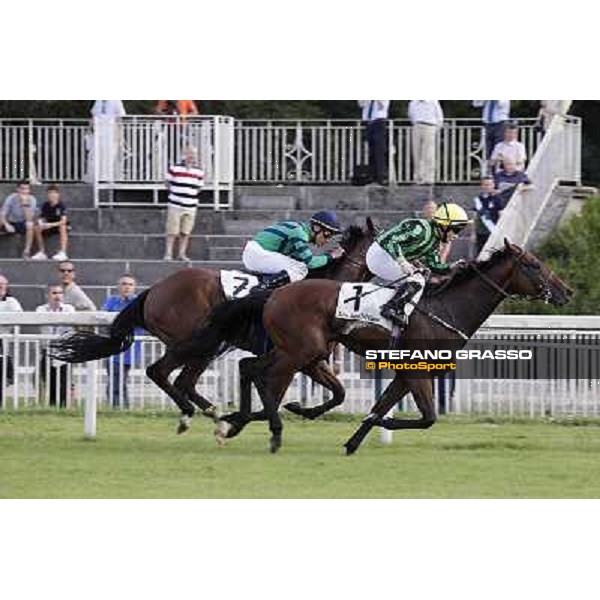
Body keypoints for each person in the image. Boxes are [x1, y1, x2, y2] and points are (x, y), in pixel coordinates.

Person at [366, 202, 471, 333]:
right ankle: (391, 308)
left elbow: (435, 265)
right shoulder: (420, 228)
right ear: (444, 226)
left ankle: (398, 308)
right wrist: (402, 262)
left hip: (388, 258)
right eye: (455, 230)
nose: (456, 236)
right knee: (417, 279)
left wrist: (452, 266)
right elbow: (392, 240)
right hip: (379, 254)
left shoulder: (434, 242)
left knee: (420, 277)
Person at [242, 210, 346, 290]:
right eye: (327, 234)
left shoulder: (297, 229)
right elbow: (310, 263)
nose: (327, 240)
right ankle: (263, 287)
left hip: (256, 253)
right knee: (301, 268)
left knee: (296, 265)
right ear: (316, 228)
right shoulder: (299, 233)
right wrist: (331, 256)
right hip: (257, 254)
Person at [102, 274, 142, 409]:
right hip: (112, 348)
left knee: (121, 380)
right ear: (119, 287)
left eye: (130, 284)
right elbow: (105, 318)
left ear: (135, 287)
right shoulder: (111, 300)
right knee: (114, 380)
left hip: (129, 350)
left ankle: (121, 407)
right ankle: (116, 407)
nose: (127, 287)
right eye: (124, 284)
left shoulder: (138, 302)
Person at [36, 286, 75, 408]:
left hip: (63, 352)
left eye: (60, 293)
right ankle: (52, 407)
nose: (57, 296)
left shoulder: (69, 308)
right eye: (54, 293)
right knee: (49, 382)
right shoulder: (41, 309)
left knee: (63, 383)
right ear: (48, 295)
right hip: (47, 350)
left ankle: (63, 407)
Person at [164, 146, 204, 261]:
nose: (191, 156)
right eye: (189, 153)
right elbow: (167, 182)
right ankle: (168, 253)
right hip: (175, 204)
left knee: (186, 232)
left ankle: (182, 253)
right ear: (184, 154)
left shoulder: (199, 171)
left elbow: (199, 187)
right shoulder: (174, 168)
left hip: (190, 205)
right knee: (172, 231)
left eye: (194, 154)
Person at [408, 100, 444, 185]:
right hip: (417, 126)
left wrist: (434, 129)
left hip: (430, 126)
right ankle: (418, 177)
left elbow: (439, 117)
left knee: (429, 153)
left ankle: (429, 178)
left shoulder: (433, 101)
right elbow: (410, 116)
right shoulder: (413, 103)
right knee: (416, 153)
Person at [0, 275, 23, 408]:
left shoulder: (12, 301)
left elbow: (18, 319)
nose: (1, 287)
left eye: (3, 284)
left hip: (3, 344)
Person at [90, 100, 126, 182]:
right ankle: (97, 176)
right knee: (97, 154)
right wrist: (92, 128)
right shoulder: (98, 101)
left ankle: (108, 177)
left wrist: (118, 133)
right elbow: (94, 115)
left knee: (110, 155)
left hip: (111, 130)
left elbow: (119, 118)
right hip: (99, 131)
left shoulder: (116, 101)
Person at [31, 185, 69, 261]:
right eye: (49, 193)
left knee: (63, 227)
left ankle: (63, 252)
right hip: (48, 226)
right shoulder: (45, 205)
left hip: (57, 225)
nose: (52, 195)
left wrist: (51, 225)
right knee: (36, 227)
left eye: (54, 193)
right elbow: (41, 217)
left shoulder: (61, 205)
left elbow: (63, 221)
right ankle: (42, 252)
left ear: (58, 194)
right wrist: (41, 223)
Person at [0, 181, 37, 259]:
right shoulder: (11, 197)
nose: (24, 191)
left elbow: (29, 218)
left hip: (22, 224)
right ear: (17, 189)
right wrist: (6, 224)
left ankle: (26, 252)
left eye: (27, 189)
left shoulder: (32, 199)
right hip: (11, 222)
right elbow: (3, 213)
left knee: (30, 224)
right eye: (22, 189)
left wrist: (25, 204)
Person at [358, 101, 390, 185]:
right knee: (371, 151)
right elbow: (361, 104)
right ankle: (372, 175)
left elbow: (382, 106)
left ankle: (381, 176)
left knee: (379, 150)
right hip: (369, 122)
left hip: (379, 121)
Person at [473, 177, 505, 255]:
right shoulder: (478, 199)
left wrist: (501, 232)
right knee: (480, 254)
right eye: (485, 185)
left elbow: (501, 216)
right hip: (480, 232)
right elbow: (474, 217)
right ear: (482, 186)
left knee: (494, 254)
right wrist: (473, 233)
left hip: (493, 231)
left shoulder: (498, 198)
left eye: (489, 184)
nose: (487, 187)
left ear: (493, 185)